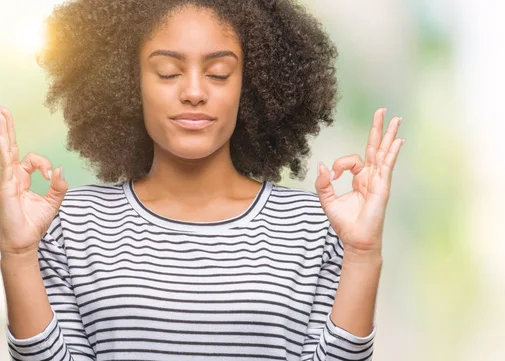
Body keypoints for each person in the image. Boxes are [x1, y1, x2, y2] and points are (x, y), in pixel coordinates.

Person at [0, 0, 404, 360]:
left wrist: (363, 253)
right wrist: (17, 252)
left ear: (251, 85)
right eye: (168, 72)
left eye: (219, 73)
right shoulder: (70, 222)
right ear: (129, 84)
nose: (194, 92)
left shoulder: (317, 225)